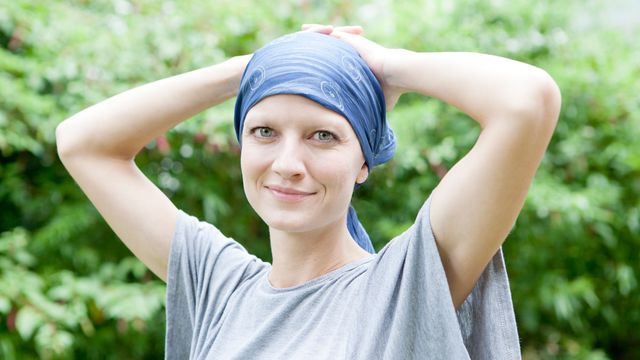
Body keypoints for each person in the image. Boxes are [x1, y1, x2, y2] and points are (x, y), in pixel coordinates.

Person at [56, 23, 561, 359]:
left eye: (323, 136)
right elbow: (82, 142)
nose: (288, 164)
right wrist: (253, 67)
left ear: (364, 161)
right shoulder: (218, 285)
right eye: (264, 132)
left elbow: (527, 101)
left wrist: (386, 66)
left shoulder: (407, 286)